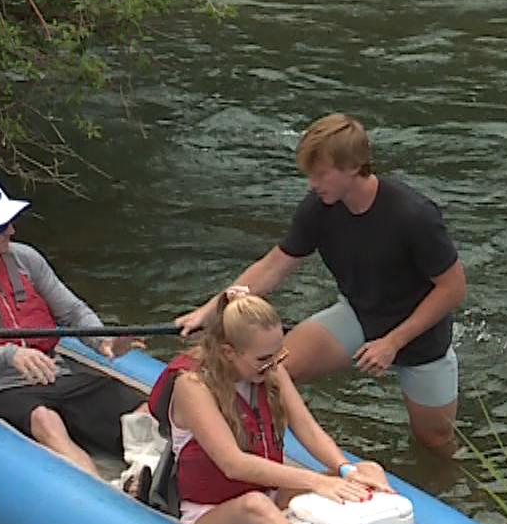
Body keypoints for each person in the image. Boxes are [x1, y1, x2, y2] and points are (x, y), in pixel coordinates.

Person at [153, 288, 480, 524]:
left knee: (369, 471)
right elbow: (233, 464)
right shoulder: (192, 386)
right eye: (264, 359)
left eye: (278, 354)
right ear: (228, 353)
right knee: (256, 506)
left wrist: (346, 470)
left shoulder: (270, 372)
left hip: (270, 494)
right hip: (211, 515)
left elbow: (309, 430)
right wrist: (318, 481)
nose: (275, 365)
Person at [175, 114, 467, 453]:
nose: (312, 183)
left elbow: (453, 289)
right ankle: (243, 448)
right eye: (309, 173)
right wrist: (210, 310)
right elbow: (273, 266)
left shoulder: (413, 215)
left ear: (353, 166)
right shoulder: (320, 208)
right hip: (359, 315)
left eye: (320, 173)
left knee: (434, 441)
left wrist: (392, 342)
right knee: (269, 370)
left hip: (420, 338)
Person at [0, 176, 145, 477]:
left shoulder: (24, 258)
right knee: (45, 420)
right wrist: (7, 355)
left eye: (9, 221)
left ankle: (145, 470)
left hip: (54, 374)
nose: (10, 230)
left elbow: (72, 311)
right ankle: (101, 489)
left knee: (143, 409)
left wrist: (103, 342)